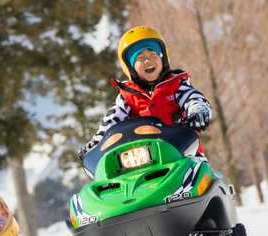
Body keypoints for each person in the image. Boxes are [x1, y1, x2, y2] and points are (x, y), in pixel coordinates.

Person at [79, 26, 212, 162]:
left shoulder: (176, 84)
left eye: (153, 55)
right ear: (129, 67)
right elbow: (112, 120)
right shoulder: (127, 96)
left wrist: (198, 110)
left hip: (184, 151)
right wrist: (96, 142)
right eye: (140, 58)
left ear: (163, 58)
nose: (148, 61)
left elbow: (192, 97)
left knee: (196, 174)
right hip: (145, 159)